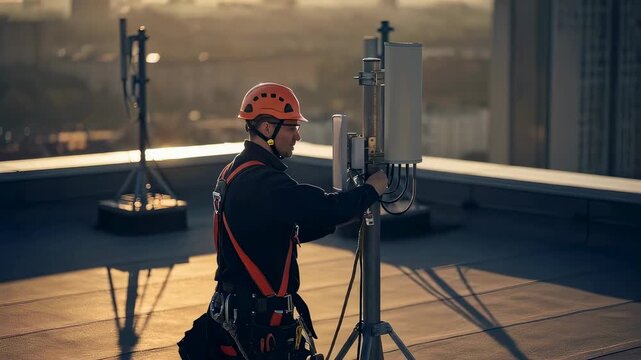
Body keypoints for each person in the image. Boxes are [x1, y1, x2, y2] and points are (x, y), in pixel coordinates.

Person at [178, 82, 387, 360]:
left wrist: (341, 214)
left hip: (239, 311)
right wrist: (372, 189)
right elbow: (325, 208)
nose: (297, 136)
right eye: (291, 128)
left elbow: (276, 229)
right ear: (267, 128)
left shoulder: (233, 172)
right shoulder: (262, 182)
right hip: (258, 324)